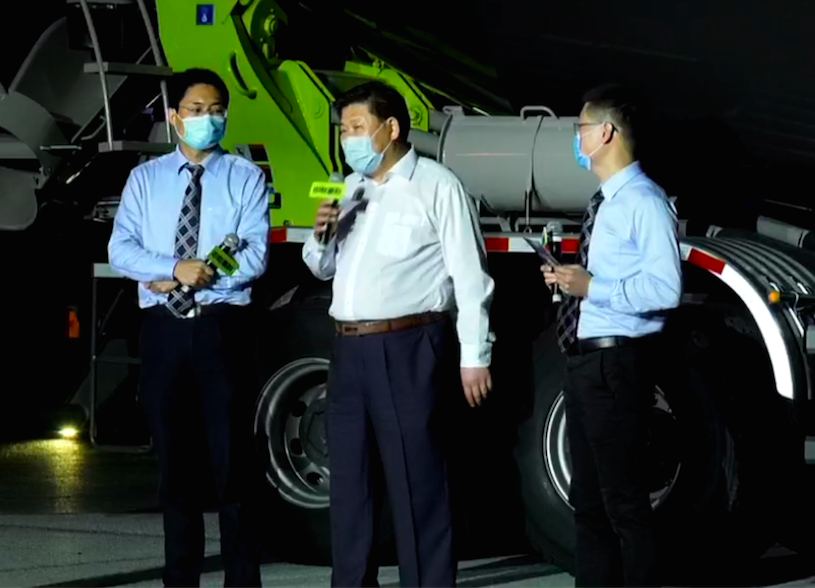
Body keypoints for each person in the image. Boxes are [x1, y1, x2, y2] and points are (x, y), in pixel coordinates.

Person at [302, 81, 496, 588]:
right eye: (343, 130)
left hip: (409, 345)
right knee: (350, 484)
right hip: (348, 350)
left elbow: (470, 276)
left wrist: (474, 355)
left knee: (417, 482)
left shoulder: (437, 185)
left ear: (390, 128)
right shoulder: (349, 187)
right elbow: (321, 267)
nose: (347, 139)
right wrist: (321, 235)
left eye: (357, 127)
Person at [108, 68, 270, 587]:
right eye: (197, 110)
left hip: (222, 330)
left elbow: (255, 256)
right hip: (165, 333)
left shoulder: (245, 177)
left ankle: (242, 580)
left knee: (233, 467)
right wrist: (173, 268)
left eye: (217, 110)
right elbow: (120, 249)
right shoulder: (146, 179)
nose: (209, 119)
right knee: (175, 471)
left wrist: (202, 276)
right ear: (174, 117)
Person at [543, 84, 682, 587]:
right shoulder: (604, 202)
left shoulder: (643, 201)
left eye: (580, 128)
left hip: (617, 364)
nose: (576, 138)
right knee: (588, 502)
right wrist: (571, 283)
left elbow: (665, 288)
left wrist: (592, 287)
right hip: (586, 361)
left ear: (606, 133)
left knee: (624, 503)